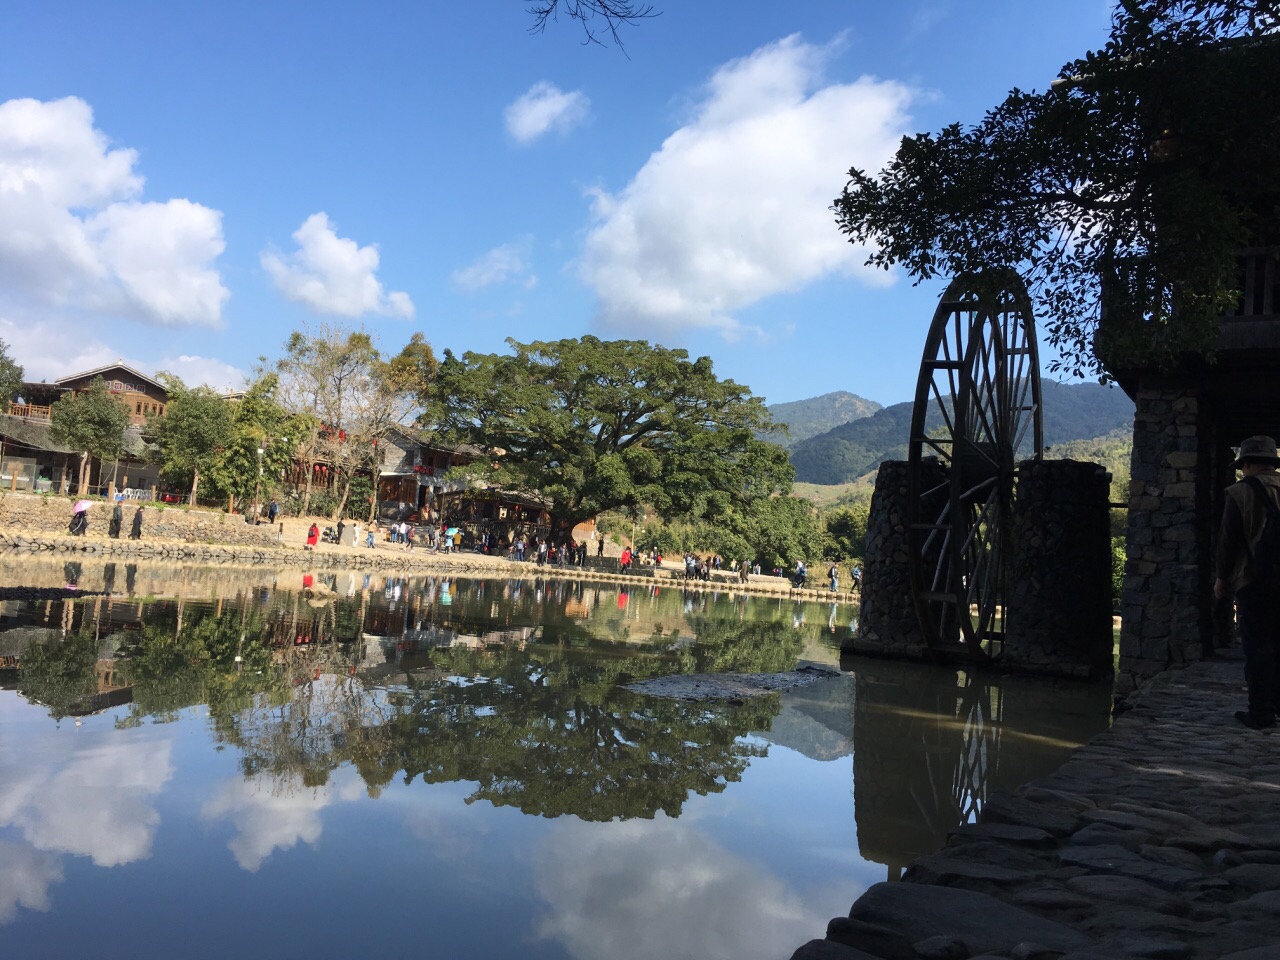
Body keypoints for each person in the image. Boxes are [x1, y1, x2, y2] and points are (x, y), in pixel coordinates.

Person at [1215, 435, 1280, 729]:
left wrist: (1221, 578)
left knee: (1257, 647)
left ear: (1249, 463)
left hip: (1253, 579)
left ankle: (1261, 712)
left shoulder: (1239, 492)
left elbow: (1228, 541)